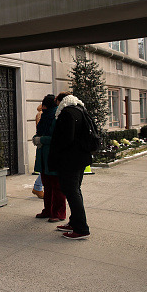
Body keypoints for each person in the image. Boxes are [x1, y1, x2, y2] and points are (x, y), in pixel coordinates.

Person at [48, 92, 92, 239]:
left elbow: (65, 139)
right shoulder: (81, 109)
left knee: (71, 192)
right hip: (81, 158)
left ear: (61, 101)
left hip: (70, 160)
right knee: (75, 191)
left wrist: (57, 156)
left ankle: (81, 228)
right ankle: (74, 223)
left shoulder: (67, 113)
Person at [32, 95, 66, 222]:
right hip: (43, 156)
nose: (43, 107)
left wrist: (41, 140)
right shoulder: (44, 117)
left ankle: (58, 213)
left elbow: (57, 139)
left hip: (53, 156)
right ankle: (48, 210)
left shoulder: (57, 118)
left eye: (44, 105)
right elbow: (40, 131)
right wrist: (37, 138)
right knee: (47, 185)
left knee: (57, 187)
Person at [32, 104, 44, 199]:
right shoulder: (41, 114)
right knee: (45, 169)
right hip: (43, 143)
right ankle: (37, 187)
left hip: (42, 142)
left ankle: (38, 187)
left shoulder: (41, 114)